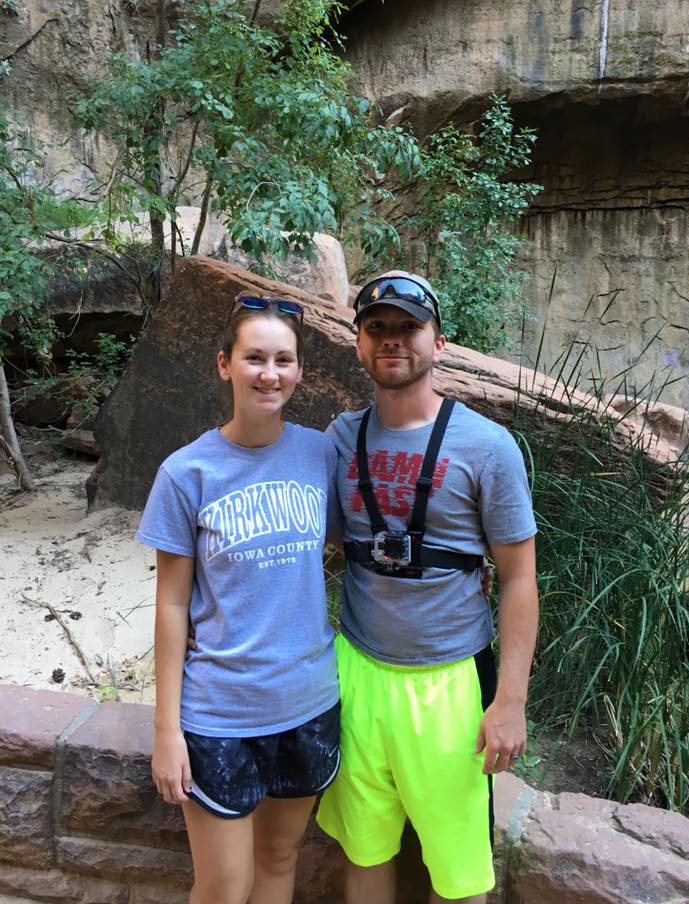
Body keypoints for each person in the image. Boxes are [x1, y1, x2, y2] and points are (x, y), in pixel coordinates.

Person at [316, 271, 538, 904]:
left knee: (460, 873)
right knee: (365, 849)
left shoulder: (487, 446)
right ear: (358, 344)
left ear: (438, 343)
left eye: (409, 327)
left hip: (450, 682)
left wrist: (511, 702)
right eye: (377, 328)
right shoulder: (339, 439)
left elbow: (519, 577)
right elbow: (307, 546)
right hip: (356, 673)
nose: (393, 340)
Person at [136, 294, 341, 904]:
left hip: (309, 702)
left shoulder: (319, 455)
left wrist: (470, 567)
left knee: (279, 863)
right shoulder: (186, 472)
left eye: (284, 359)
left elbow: (356, 543)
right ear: (225, 364)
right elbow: (171, 605)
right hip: (219, 715)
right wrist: (166, 730)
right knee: (224, 887)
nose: (269, 373)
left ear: (300, 371)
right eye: (255, 357)